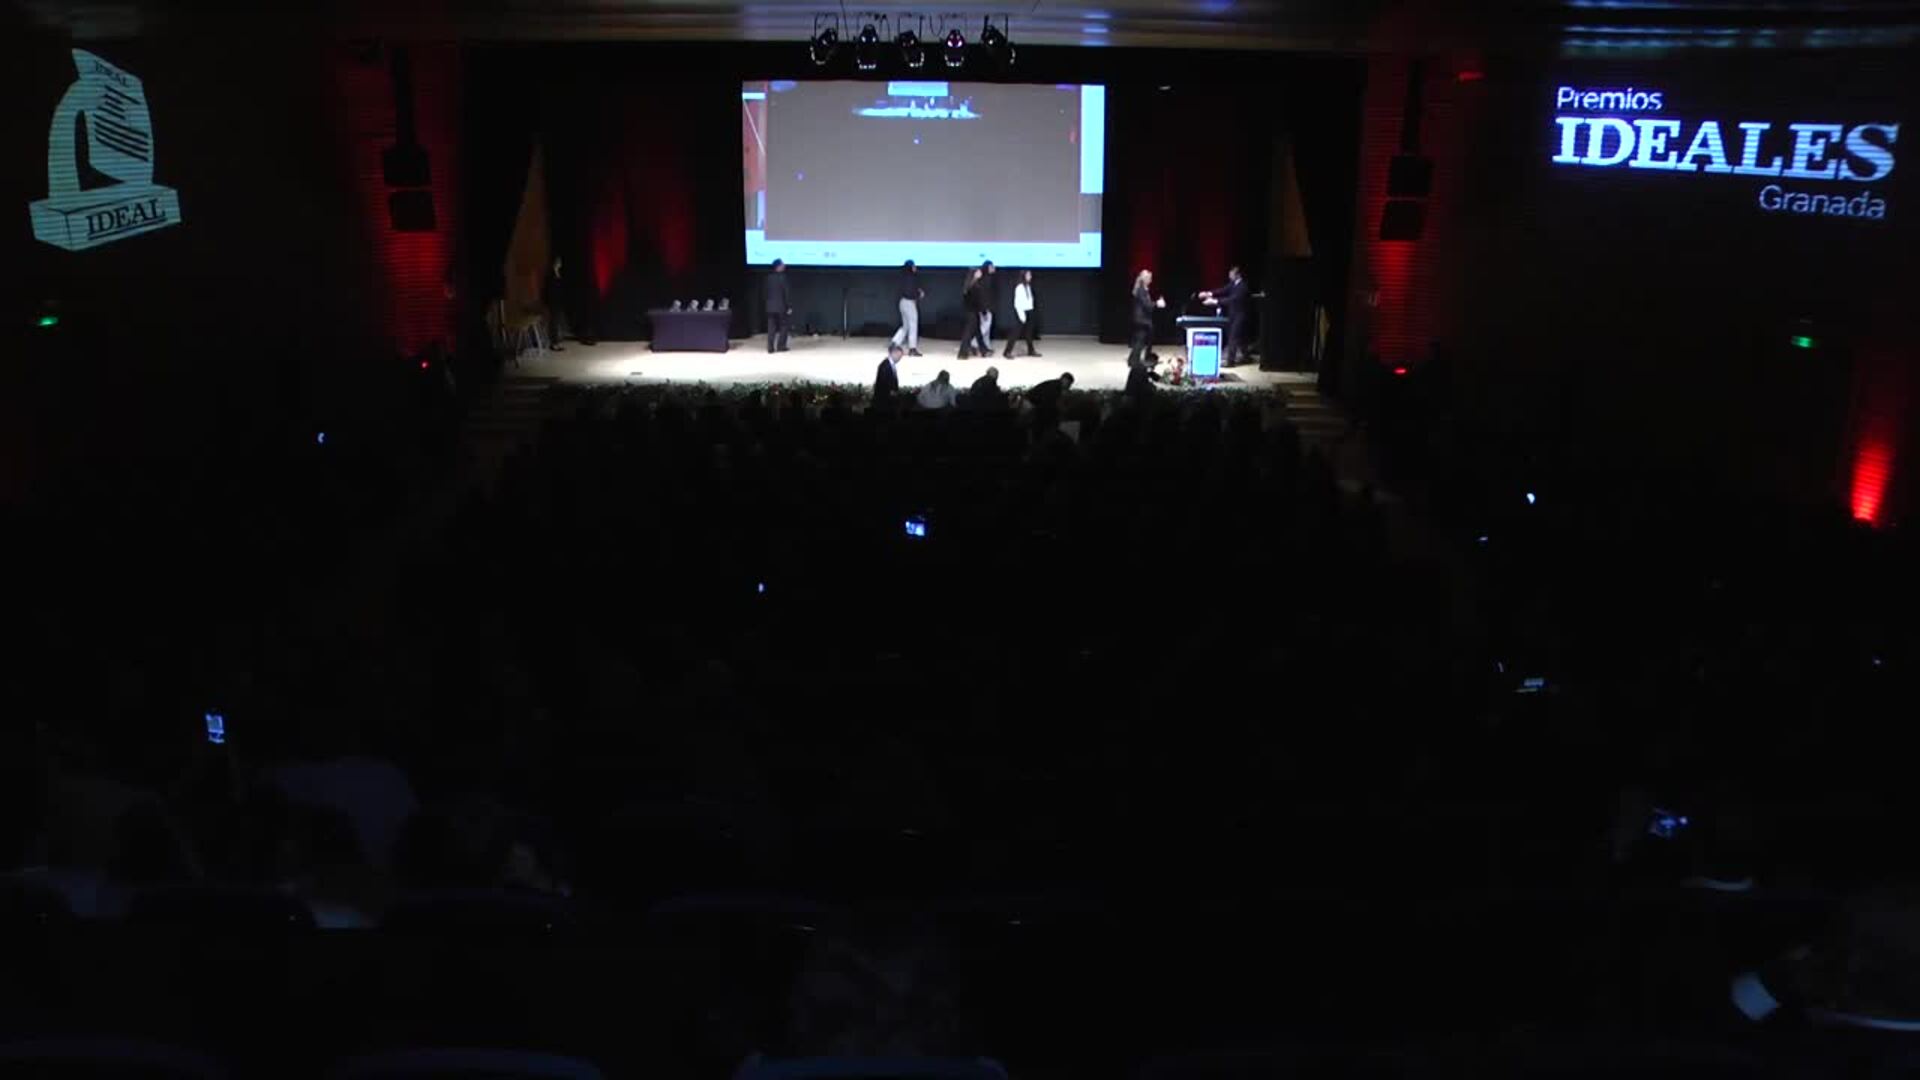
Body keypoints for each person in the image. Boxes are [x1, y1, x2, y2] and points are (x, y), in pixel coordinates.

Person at [1199, 265, 1249, 367]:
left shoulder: (1242, 287)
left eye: (1231, 274)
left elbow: (1232, 300)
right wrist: (1208, 293)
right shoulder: (1233, 284)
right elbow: (1223, 290)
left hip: (1240, 316)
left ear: (1238, 275)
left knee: (1233, 338)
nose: (1229, 276)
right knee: (1239, 337)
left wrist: (1215, 301)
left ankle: (1230, 362)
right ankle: (1246, 356)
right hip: (1232, 315)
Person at [1127, 268, 1166, 370]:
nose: (1151, 280)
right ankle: (1134, 361)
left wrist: (1155, 303)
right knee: (1140, 340)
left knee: (1141, 339)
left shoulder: (1143, 289)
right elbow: (1146, 305)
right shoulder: (1141, 290)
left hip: (1142, 318)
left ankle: (1136, 359)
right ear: (1145, 279)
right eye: (1150, 278)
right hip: (1141, 319)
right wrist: (1157, 303)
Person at [891, 260, 924, 356]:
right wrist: (919, 294)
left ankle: (895, 342)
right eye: (914, 266)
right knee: (913, 325)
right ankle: (912, 349)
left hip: (902, 302)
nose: (915, 267)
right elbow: (911, 292)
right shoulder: (912, 278)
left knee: (906, 326)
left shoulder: (903, 277)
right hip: (909, 303)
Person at [1005, 270, 1040, 359]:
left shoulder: (1028, 286)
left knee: (1029, 333)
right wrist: (1021, 315)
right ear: (1024, 276)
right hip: (1022, 312)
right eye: (1028, 275)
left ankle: (1031, 350)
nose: (1030, 277)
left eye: (1030, 275)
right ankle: (1007, 352)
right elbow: (1017, 303)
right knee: (1015, 333)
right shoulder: (1019, 288)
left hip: (1029, 311)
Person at [959, 269, 990, 359]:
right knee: (968, 334)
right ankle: (962, 353)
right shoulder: (974, 287)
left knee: (978, 333)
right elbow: (978, 301)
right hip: (973, 313)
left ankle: (984, 350)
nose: (980, 273)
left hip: (970, 312)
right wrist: (984, 312)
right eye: (978, 272)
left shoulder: (968, 286)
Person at [765, 259, 792, 354]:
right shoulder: (783, 278)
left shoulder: (768, 278)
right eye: (782, 264)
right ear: (778, 267)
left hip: (770, 306)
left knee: (771, 327)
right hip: (781, 306)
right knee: (784, 326)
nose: (784, 265)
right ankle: (781, 346)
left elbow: (765, 292)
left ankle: (770, 348)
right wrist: (789, 306)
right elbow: (786, 293)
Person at [543, 256, 568, 352]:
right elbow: (548, 289)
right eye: (558, 261)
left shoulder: (558, 273)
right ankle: (554, 343)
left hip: (558, 300)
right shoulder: (550, 274)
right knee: (554, 322)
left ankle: (557, 341)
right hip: (553, 301)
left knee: (557, 321)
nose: (560, 263)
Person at [977, 261, 998, 354]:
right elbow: (983, 296)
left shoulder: (989, 279)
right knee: (985, 327)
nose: (993, 268)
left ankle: (987, 346)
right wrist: (984, 309)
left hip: (987, 307)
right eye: (991, 266)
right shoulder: (985, 280)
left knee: (987, 328)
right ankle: (973, 343)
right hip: (985, 307)